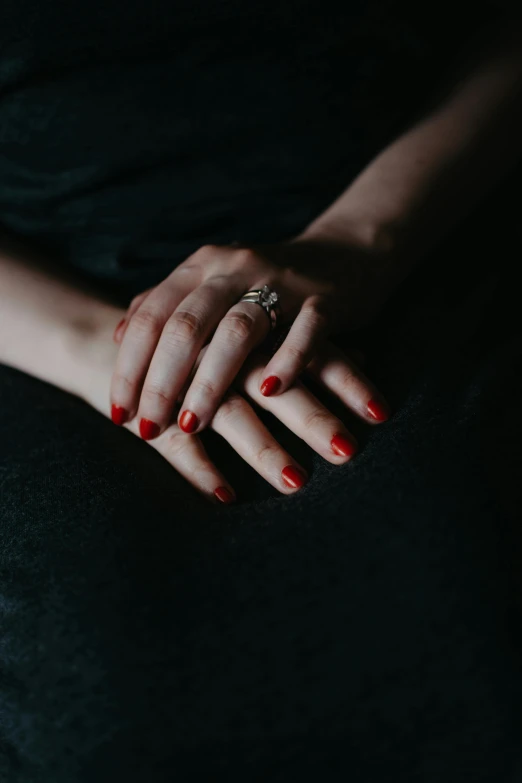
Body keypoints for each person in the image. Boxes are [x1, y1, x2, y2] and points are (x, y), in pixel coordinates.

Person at [0, 2, 521, 780]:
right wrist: (110, 350)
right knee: (106, 709)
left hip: (414, 229)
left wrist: (361, 239)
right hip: (46, 315)